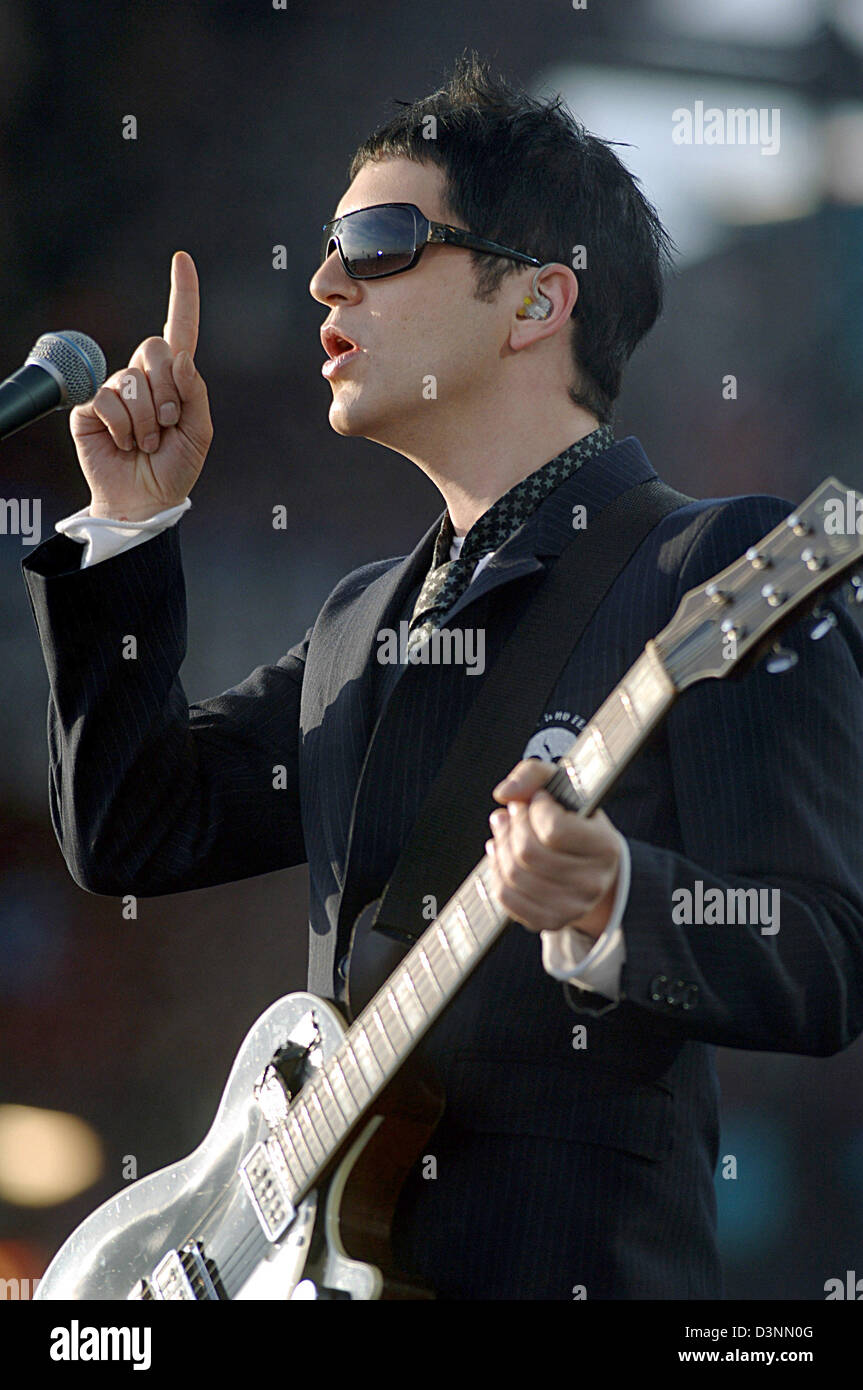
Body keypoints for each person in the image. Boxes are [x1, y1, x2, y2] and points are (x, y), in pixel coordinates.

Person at [22, 53, 863, 1300]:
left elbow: (823, 954)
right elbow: (134, 830)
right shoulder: (361, 618)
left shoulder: (712, 565)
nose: (320, 281)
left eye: (375, 240)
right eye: (325, 245)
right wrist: (129, 530)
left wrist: (616, 900)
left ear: (533, 303)